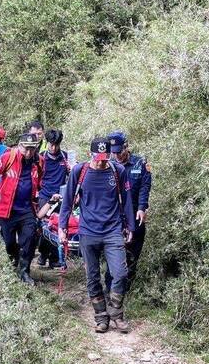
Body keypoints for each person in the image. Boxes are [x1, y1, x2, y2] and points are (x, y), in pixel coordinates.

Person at [59, 137, 135, 333]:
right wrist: (62, 227)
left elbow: (126, 201)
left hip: (113, 231)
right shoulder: (80, 171)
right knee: (92, 277)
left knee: (120, 273)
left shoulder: (118, 171)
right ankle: (101, 317)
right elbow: (67, 201)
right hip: (88, 232)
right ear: (90, 154)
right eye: (98, 158)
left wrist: (130, 227)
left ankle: (116, 313)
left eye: (105, 158)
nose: (101, 162)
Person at [0, 133, 42, 285]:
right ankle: (15, 260)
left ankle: (24, 272)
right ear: (19, 146)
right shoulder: (7, 158)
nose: (28, 153)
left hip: (27, 209)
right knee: (9, 243)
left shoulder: (39, 162)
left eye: (32, 149)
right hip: (7, 210)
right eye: (25, 149)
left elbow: (41, 181)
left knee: (29, 239)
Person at [104, 131, 152, 293]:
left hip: (135, 214)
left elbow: (145, 187)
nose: (116, 155)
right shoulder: (108, 164)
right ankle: (110, 288)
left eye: (119, 151)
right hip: (114, 216)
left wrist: (142, 208)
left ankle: (125, 290)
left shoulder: (140, 163)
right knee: (113, 252)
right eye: (113, 152)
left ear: (127, 147)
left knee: (132, 253)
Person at [36, 129, 70, 269]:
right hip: (45, 196)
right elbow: (35, 176)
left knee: (58, 227)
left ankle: (55, 258)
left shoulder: (66, 157)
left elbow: (73, 175)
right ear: (47, 143)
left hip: (61, 197)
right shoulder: (40, 157)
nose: (54, 148)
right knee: (45, 226)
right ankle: (43, 254)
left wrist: (71, 169)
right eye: (51, 144)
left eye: (56, 145)